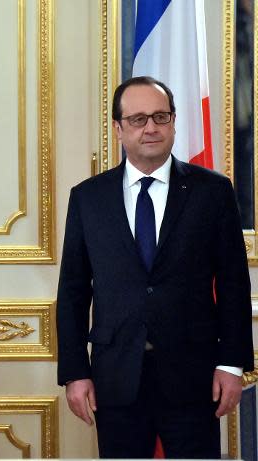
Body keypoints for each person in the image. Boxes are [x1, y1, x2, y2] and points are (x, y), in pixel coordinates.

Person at [57, 76, 254, 458]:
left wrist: (232, 364)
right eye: (138, 119)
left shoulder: (212, 192)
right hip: (116, 377)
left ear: (174, 122)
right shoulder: (88, 198)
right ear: (117, 128)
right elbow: (74, 291)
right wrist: (75, 372)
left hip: (193, 375)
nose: (151, 127)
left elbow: (232, 283)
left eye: (161, 117)